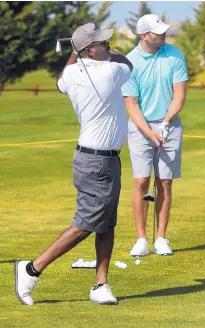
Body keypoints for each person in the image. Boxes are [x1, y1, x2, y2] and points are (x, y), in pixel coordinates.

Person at [14, 22, 133, 306]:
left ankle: (100, 285)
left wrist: (76, 51)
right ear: (91, 50)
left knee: (106, 223)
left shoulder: (71, 73)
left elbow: (60, 81)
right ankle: (31, 269)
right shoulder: (110, 71)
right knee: (85, 224)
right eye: (103, 43)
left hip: (103, 160)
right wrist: (106, 51)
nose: (108, 47)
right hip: (95, 161)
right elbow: (127, 61)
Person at [122, 14, 188, 256]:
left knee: (164, 182)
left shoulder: (174, 54)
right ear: (144, 36)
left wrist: (167, 122)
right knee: (141, 181)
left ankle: (160, 238)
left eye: (163, 31)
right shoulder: (130, 62)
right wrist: (150, 132)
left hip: (169, 124)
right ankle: (141, 239)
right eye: (157, 32)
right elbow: (131, 103)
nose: (163, 34)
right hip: (141, 127)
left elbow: (179, 94)